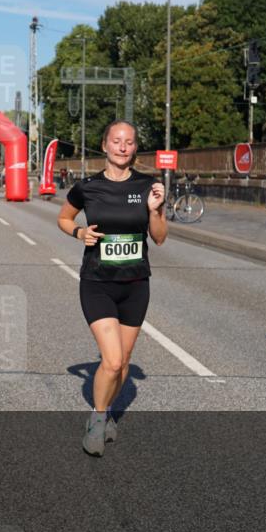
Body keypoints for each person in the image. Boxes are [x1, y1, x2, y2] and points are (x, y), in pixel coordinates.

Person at [56, 120, 166, 457]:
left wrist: (155, 210)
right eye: (116, 141)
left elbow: (159, 238)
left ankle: (106, 411)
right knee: (113, 360)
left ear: (135, 148)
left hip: (135, 284)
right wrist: (79, 234)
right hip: (97, 283)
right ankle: (98, 417)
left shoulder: (149, 186)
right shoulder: (86, 187)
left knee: (126, 359)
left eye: (129, 142)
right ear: (104, 145)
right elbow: (63, 218)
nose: (122, 147)